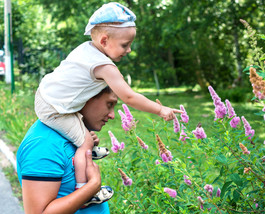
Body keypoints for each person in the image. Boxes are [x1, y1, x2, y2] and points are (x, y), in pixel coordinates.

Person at [34, 2, 182, 202]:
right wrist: (159, 109)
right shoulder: (103, 66)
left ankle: (85, 159)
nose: (129, 50)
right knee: (85, 143)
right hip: (54, 108)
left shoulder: (86, 49)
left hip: (49, 96)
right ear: (104, 40)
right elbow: (128, 96)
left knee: (86, 136)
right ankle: (83, 192)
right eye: (125, 45)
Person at [17, 86, 117, 214]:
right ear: (85, 97)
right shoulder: (43, 144)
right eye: (109, 104)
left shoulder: (71, 136)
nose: (112, 115)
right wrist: (92, 186)